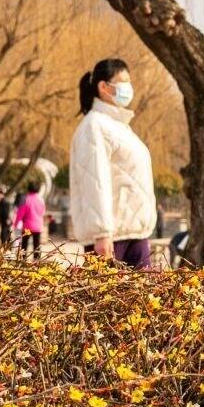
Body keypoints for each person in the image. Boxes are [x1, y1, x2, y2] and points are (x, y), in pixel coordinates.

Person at [69, 57, 159, 268]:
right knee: (108, 298)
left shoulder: (120, 127)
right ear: (103, 87)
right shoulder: (94, 126)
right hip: (110, 238)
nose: (128, 88)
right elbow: (94, 182)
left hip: (134, 233)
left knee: (145, 298)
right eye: (123, 82)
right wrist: (101, 233)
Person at [13, 184, 47, 258]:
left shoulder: (26, 199)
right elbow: (43, 212)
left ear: (28, 189)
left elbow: (20, 213)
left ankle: (23, 260)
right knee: (37, 244)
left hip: (27, 225)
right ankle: (37, 261)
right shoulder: (41, 200)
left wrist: (16, 223)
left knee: (24, 244)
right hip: (38, 225)